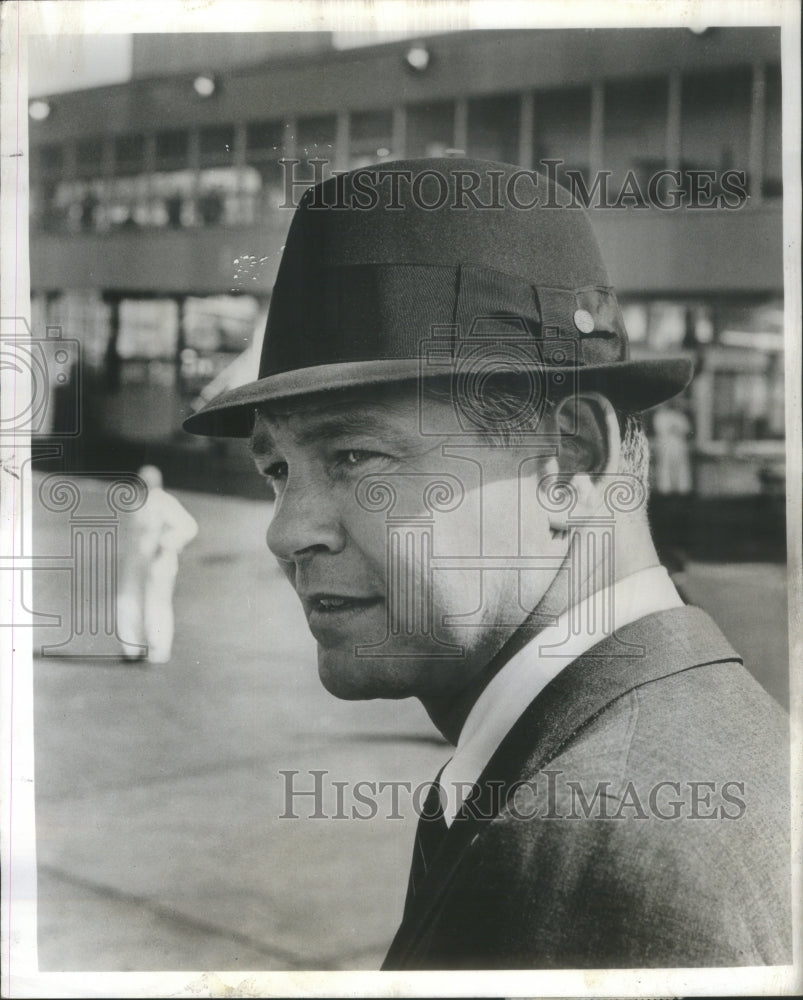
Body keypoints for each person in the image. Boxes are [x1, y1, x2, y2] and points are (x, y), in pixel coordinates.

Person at [184, 158, 790, 968]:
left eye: (357, 455)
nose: (287, 532)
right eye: (279, 471)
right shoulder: (695, 745)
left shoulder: (603, 853)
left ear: (572, 462)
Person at [117, 465, 198, 664]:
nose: (143, 482)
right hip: (136, 561)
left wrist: (165, 543)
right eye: (141, 479)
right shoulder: (137, 502)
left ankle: (158, 650)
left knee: (157, 604)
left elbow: (189, 526)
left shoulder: (165, 501)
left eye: (147, 479)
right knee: (128, 600)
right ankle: (131, 648)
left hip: (159, 562)